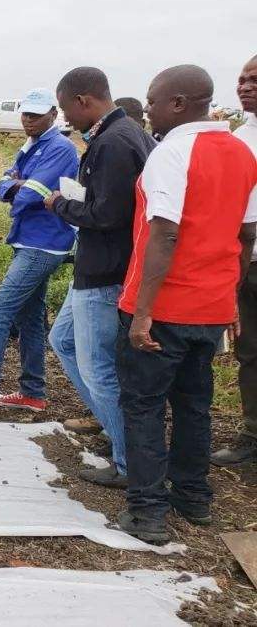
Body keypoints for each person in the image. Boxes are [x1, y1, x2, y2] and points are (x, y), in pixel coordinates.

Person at [113, 65, 257, 543]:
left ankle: (147, 512)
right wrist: (231, 298)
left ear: (177, 103)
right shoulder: (241, 151)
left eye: (151, 102)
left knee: (145, 406)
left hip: (165, 307)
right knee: (196, 405)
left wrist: (144, 312)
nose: (147, 110)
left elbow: (165, 230)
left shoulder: (172, 152)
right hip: (212, 307)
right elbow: (247, 232)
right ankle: (194, 498)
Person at [46, 67, 157, 489]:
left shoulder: (112, 143)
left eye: (65, 110)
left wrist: (60, 204)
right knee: (63, 341)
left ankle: (131, 463)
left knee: (99, 370)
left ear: (83, 101)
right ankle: (118, 435)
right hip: (97, 267)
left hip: (105, 271)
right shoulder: (127, 134)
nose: (65, 120)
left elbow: (107, 214)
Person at [0, 88, 78, 421]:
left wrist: (19, 188)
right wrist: (18, 186)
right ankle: (32, 392)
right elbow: (2, 184)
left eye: (36, 115)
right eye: (26, 114)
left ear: (53, 114)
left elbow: (30, 194)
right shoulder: (33, 146)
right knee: (30, 317)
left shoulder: (61, 148)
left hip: (44, 243)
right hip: (29, 239)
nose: (28, 120)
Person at [213, 54, 257, 467]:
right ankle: (252, 435)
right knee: (250, 349)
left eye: (254, 79)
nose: (244, 86)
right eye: (241, 79)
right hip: (247, 260)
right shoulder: (238, 137)